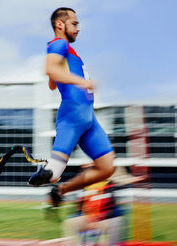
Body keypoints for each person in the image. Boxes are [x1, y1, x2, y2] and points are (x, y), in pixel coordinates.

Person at [28, 7, 116, 203]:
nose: (78, 28)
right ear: (60, 24)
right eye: (74, 24)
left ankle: (61, 190)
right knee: (54, 171)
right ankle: (46, 173)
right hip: (73, 115)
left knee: (107, 167)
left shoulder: (68, 50)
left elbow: (52, 80)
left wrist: (59, 77)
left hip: (89, 119)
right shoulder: (58, 44)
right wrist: (81, 82)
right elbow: (49, 68)